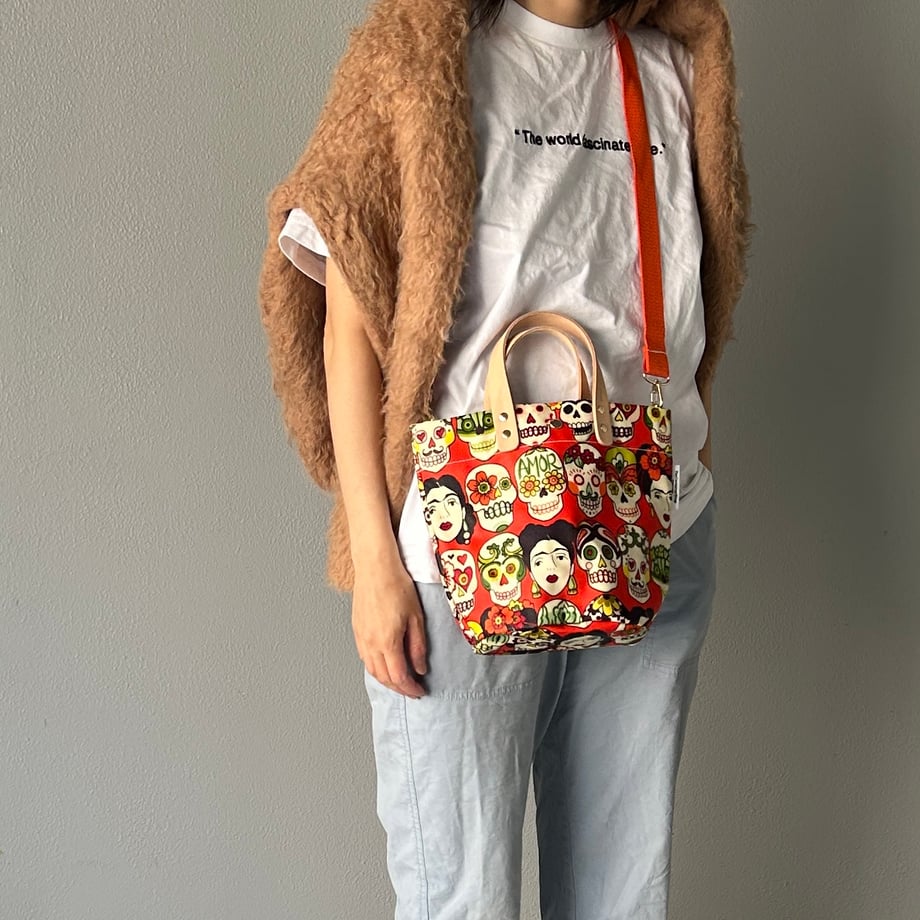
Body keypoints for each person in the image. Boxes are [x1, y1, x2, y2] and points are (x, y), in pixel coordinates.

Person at [258, 0, 750, 916]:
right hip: (464, 539)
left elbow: (696, 302)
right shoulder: (424, 56)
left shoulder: (677, 67)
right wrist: (375, 560)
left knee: (622, 896)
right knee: (462, 899)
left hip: (653, 526)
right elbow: (349, 316)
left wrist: (697, 461)